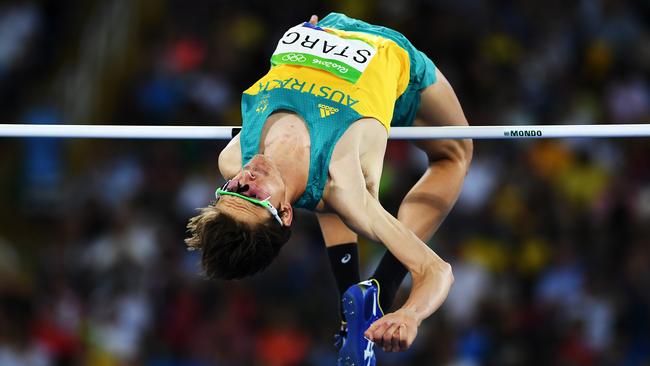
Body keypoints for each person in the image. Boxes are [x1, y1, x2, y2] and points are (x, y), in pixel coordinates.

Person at [186, 13, 472, 364]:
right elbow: (437, 271)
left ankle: (350, 298)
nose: (246, 179)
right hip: (391, 58)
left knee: (321, 195)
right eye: (253, 196)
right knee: (455, 155)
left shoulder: (232, 158)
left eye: (232, 190)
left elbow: (277, 188)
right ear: (285, 212)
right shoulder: (343, 184)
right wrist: (411, 314)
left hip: (325, 28)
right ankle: (383, 285)